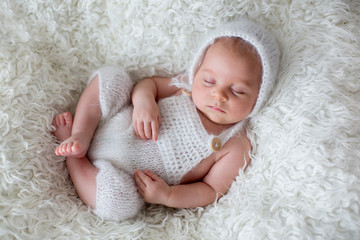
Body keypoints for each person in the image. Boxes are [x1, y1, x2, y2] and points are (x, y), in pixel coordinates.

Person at [52, 19, 280, 221]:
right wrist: (144, 102)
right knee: (113, 78)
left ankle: (76, 162)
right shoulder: (184, 87)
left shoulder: (235, 144)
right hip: (115, 122)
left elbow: (211, 189)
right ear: (196, 71)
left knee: (118, 202)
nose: (218, 95)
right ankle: (81, 132)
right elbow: (148, 84)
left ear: (259, 96)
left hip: (119, 175)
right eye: (209, 81)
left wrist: (168, 196)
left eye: (238, 91)